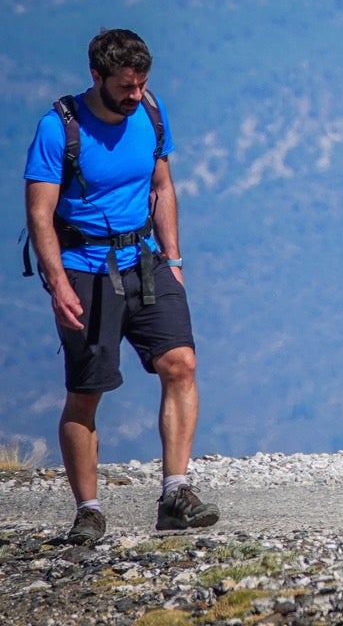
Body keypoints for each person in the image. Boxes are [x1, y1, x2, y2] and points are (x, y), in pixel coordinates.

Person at [24, 28, 219, 544]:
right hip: (84, 268)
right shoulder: (58, 128)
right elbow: (40, 214)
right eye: (125, 86)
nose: (135, 94)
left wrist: (174, 258)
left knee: (180, 363)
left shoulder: (151, 112)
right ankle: (88, 511)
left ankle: (175, 493)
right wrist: (58, 283)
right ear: (97, 76)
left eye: (141, 84)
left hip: (146, 261)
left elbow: (162, 186)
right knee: (86, 392)